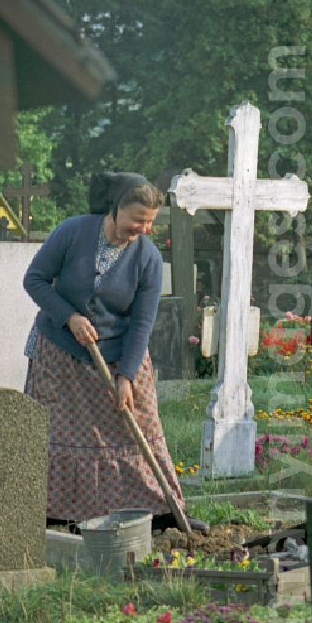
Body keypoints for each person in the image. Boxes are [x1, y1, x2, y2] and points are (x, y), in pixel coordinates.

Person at [23, 170, 199, 531]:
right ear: (116, 209)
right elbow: (34, 280)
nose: (144, 229)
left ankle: (160, 512)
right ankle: (55, 516)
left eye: (150, 223)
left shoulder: (147, 258)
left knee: (140, 427)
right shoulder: (73, 232)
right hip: (61, 351)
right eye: (138, 220)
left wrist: (127, 376)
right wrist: (69, 317)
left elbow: (142, 322)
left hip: (120, 352)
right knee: (61, 432)